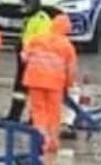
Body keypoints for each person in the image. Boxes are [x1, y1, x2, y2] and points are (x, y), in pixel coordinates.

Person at [24, 12, 79, 154]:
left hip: (35, 80)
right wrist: (69, 84)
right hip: (55, 84)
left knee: (38, 111)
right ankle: (52, 142)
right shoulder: (67, 46)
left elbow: (24, 56)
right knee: (53, 113)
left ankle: (40, 139)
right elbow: (71, 69)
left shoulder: (38, 39)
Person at [6, 0, 56, 121]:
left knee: (35, 90)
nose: (23, 9)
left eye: (26, 6)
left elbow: (40, 41)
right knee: (19, 89)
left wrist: (27, 53)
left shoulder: (41, 19)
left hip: (33, 60)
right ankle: (14, 115)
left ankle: (34, 119)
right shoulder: (31, 18)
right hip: (25, 57)